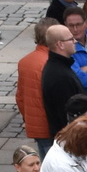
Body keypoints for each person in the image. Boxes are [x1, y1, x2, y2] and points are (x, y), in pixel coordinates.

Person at [39, 26, 87, 147]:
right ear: (60, 44)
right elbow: (66, 115)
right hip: (71, 143)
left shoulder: (59, 68)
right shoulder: (60, 76)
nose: (75, 41)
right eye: (71, 39)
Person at [16, 20, 55, 155]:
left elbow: (20, 97)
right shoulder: (51, 64)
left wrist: (28, 119)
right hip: (50, 125)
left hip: (35, 124)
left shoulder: (24, 61)